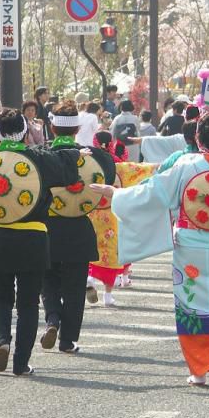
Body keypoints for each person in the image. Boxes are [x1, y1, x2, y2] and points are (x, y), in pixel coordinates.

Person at [92, 112, 209, 388]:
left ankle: (199, 371)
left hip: (190, 244)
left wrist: (115, 193)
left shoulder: (186, 165)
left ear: (197, 137)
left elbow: (153, 191)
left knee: (190, 305)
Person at [0, 108, 79, 375]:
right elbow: (69, 167)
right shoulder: (40, 158)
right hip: (32, 236)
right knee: (28, 303)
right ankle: (21, 363)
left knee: (0, 297)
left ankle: (1, 342)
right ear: (25, 131)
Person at [40, 103, 117, 354]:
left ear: (51, 128)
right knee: (75, 287)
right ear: (77, 129)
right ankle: (68, 340)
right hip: (78, 227)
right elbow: (109, 175)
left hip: (46, 227)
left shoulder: (40, 155)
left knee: (48, 280)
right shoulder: (95, 156)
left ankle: (52, 319)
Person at [86, 132, 157, 307]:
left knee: (90, 247)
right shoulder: (120, 167)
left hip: (91, 213)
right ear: (111, 143)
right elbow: (143, 169)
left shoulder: (87, 164)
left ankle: (89, 278)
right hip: (112, 215)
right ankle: (107, 296)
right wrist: (158, 165)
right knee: (110, 253)